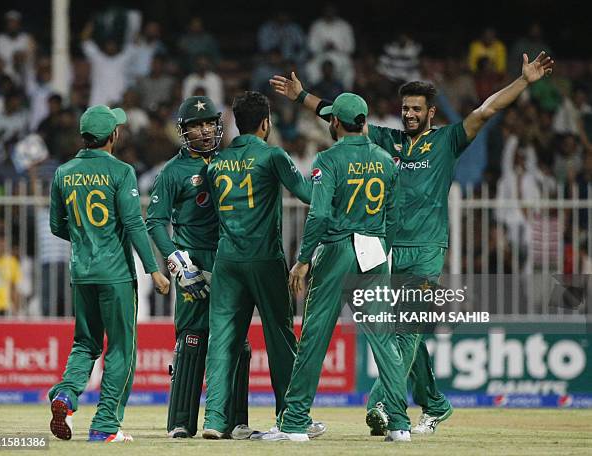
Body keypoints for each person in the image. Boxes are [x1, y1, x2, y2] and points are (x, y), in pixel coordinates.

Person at [270, 50, 554, 435]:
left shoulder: (449, 140)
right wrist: (303, 97)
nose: (409, 115)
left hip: (427, 251)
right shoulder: (388, 141)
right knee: (404, 333)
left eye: (417, 109)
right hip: (385, 251)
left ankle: (382, 407)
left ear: (431, 112)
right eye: (405, 108)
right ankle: (435, 402)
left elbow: (486, 110)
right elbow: (347, 119)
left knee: (405, 329)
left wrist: (523, 81)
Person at [260, 93, 409, 443]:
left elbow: (320, 214)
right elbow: (395, 217)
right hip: (373, 251)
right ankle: (400, 423)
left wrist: (302, 260)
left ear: (337, 123)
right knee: (384, 340)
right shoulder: (387, 160)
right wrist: (378, 248)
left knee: (314, 336)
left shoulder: (328, 160)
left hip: (338, 249)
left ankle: (295, 423)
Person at [201, 91, 323, 439]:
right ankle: (290, 417)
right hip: (265, 259)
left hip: (227, 261)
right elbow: (307, 195)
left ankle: (214, 420)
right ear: (266, 123)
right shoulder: (273, 155)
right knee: (280, 339)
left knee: (222, 340)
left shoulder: (218, 161)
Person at [48, 104, 170, 443]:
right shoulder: (121, 172)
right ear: (113, 135)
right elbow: (133, 223)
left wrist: (87, 236)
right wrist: (154, 270)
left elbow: (57, 225)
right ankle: (105, 426)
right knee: (120, 349)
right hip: (115, 274)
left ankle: (66, 396)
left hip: (81, 272)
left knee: (84, 344)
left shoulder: (63, 172)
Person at [146, 96, 254, 439]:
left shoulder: (230, 161)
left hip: (229, 259)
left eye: (209, 123)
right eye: (196, 125)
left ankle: (235, 421)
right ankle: (181, 422)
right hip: (193, 260)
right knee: (192, 338)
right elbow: (155, 222)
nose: (205, 131)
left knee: (238, 339)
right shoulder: (173, 172)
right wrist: (177, 261)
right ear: (184, 131)